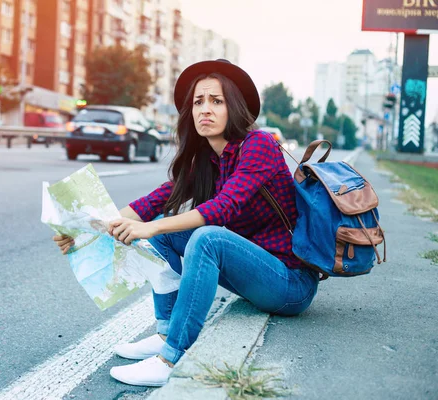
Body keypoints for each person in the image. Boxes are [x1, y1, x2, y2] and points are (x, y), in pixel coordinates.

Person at [53, 59, 319, 387]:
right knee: (166, 233)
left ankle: (173, 357)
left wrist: (151, 226)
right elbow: (154, 201)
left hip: (291, 284)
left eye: (216, 101)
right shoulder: (208, 161)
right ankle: (166, 332)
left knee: (207, 238)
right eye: (198, 102)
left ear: (234, 107)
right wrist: (83, 231)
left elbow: (224, 207)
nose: (204, 109)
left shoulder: (259, 145)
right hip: (256, 275)